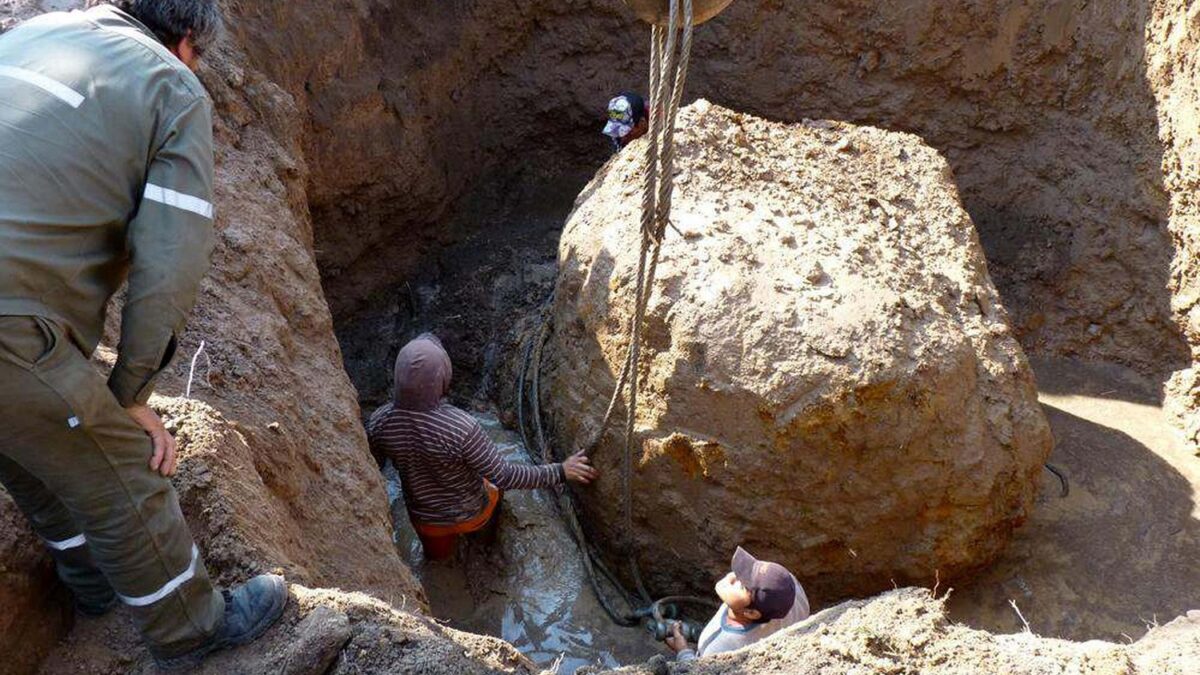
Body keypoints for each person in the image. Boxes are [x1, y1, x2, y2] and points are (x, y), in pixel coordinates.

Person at [0, 1, 286, 669]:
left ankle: (92, 586)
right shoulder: (172, 85)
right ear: (186, 41)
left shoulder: (37, 30)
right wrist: (131, 390)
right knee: (123, 466)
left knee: (24, 439)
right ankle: (192, 631)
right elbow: (170, 263)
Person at [367, 334, 598, 560]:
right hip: (471, 516)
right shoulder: (461, 427)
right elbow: (505, 476)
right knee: (493, 491)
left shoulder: (379, 422)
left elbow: (371, 470)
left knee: (437, 561)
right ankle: (487, 546)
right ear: (442, 379)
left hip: (427, 524)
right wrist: (561, 471)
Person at [665, 547, 811, 661]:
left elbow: (696, 670)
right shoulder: (790, 590)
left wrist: (683, 651)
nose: (732, 576)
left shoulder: (720, 649)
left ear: (751, 613)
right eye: (743, 572)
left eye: (742, 585)